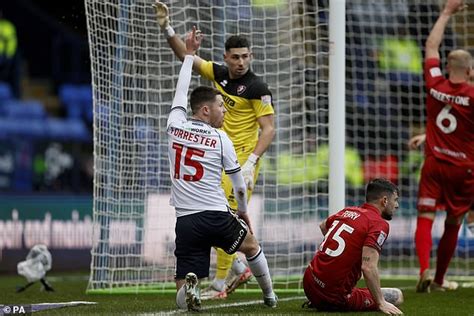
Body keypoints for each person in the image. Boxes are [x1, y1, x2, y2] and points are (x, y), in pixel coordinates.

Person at [154, 1, 276, 299]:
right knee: (219, 217)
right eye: (235, 57)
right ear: (226, 57)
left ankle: (221, 282)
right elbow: (187, 58)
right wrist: (167, 27)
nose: (240, 63)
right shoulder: (219, 74)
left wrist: (251, 162)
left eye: (245, 57)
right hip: (214, 153)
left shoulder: (258, 87)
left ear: (252, 57)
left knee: (227, 214)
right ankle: (236, 268)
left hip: (242, 160)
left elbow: (269, 129)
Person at [414, 0, 474, 293]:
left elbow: (430, 47)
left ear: (448, 66)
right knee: (454, 220)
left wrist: (447, 12)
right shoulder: (473, 95)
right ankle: (438, 280)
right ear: (470, 71)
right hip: (463, 168)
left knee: (425, 217)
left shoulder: (435, 84)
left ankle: (424, 269)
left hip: (434, 162)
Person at [303, 178, 403, 315]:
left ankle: (319, 296)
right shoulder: (379, 224)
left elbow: (323, 225)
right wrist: (381, 302)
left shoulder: (347, 211)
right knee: (397, 295)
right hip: (332, 296)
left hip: (309, 283)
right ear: (384, 201)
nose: (396, 205)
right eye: (395, 200)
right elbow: (368, 267)